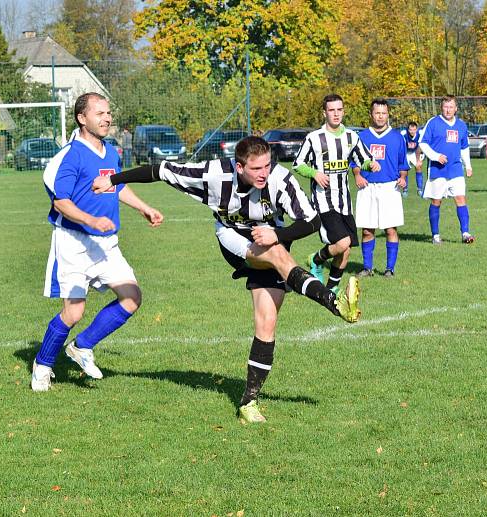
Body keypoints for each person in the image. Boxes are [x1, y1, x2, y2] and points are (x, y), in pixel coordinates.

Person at [92, 136, 362, 424]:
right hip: (233, 239)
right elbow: (160, 170)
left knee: (266, 322)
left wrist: (278, 234)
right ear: (239, 166)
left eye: (268, 165)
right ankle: (335, 303)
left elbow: (311, 221)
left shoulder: (280, 180)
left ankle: (248, 402)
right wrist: (114, 180)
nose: (264, 173)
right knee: (277, 255)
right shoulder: (213, 175)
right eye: (257, 168)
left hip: (272, 236)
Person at [32, 92, 164, 392]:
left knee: (132, 298)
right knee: (74, 312)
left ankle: (82, 347)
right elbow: (60, 203)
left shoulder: (111, 152)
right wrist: (91, 221)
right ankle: (42, 365)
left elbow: (116, 186)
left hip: (106, 243)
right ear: (82, 118)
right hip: (73, 242)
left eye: (108, 113)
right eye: (100, 113)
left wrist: (144, 207)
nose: (107, 118)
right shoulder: (70, 156)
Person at [293, 93, 380, 291]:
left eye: (339, 110)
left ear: (343, 111)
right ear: (324, 113)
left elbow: (363, 159)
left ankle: (331, 290)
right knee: (342, 243)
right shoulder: (314, 138)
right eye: (331, 110)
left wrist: (371, 164)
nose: (336, 114)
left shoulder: (351, 136)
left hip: (344, 202)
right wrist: (315, 173)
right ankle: (315, 259)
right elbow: (298, 164)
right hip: (324, 201)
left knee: (346, 250)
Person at [353, 99, 410, 278]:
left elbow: (403, 164)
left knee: (391, 229)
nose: (380, 116)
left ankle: (389, 269)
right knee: (368, 229)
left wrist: (403, 178)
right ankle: (367, 268)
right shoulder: (361, 137)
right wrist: (357, 175)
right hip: (367, 187)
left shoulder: (397, 137)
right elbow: (354, 161)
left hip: (389, 188)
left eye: (383, 113)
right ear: (371, 114)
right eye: (377, 113)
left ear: (388, 114)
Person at [418, 95, 474, 245]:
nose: (448, 110)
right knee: (437, 201)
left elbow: (464, 147)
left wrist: (468, 166)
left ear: (456, 108)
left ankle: (465, 233)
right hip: (438, 170)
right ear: (441, 107)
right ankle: (435, 235)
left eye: (451, 107)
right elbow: (422, 143)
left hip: (456, 169)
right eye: (445, 107)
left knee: (461, 198)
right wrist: (436, 156)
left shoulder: (461, 125)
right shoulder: (433, 123)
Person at [400, 121, 424, 197]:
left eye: (414, 130)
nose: (412, 131)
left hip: (415, 152)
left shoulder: (420, 133)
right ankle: (405, 189)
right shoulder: (403, 134)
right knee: (404, 171)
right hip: (406, 153)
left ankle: (420, 189)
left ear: (416, 129)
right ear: (408, 129)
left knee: (418, 167)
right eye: (410, 130)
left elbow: (421, 146)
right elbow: (401, 146)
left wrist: (419, 159)